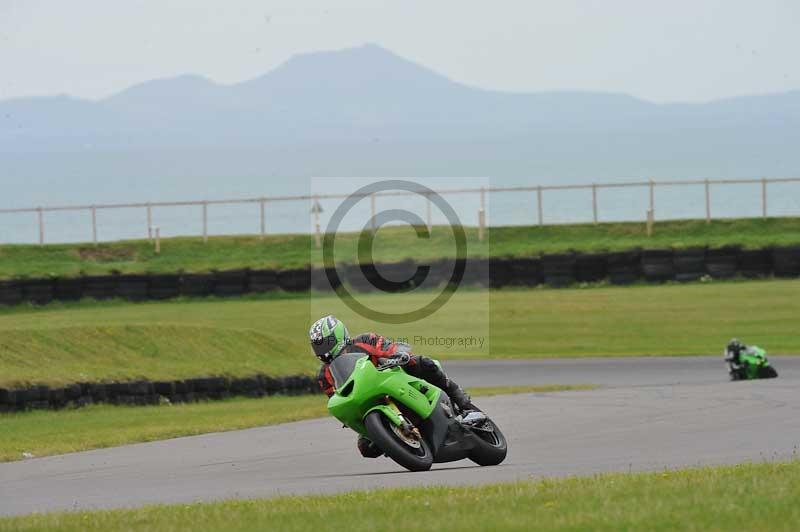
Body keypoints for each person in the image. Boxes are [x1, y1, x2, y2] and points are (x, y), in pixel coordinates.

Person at [309, 315, 473, 458]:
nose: (321, 350)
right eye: (317, 346)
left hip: (392, 376)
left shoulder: (365, 340)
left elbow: (391, 347)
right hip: (365, 401)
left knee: (424, 363)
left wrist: (400, 354)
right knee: (366, 449)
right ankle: (396, 441)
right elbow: (337, 397)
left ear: (337, 335)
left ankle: (464, 404)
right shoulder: (324, 375)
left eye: (323, 344)